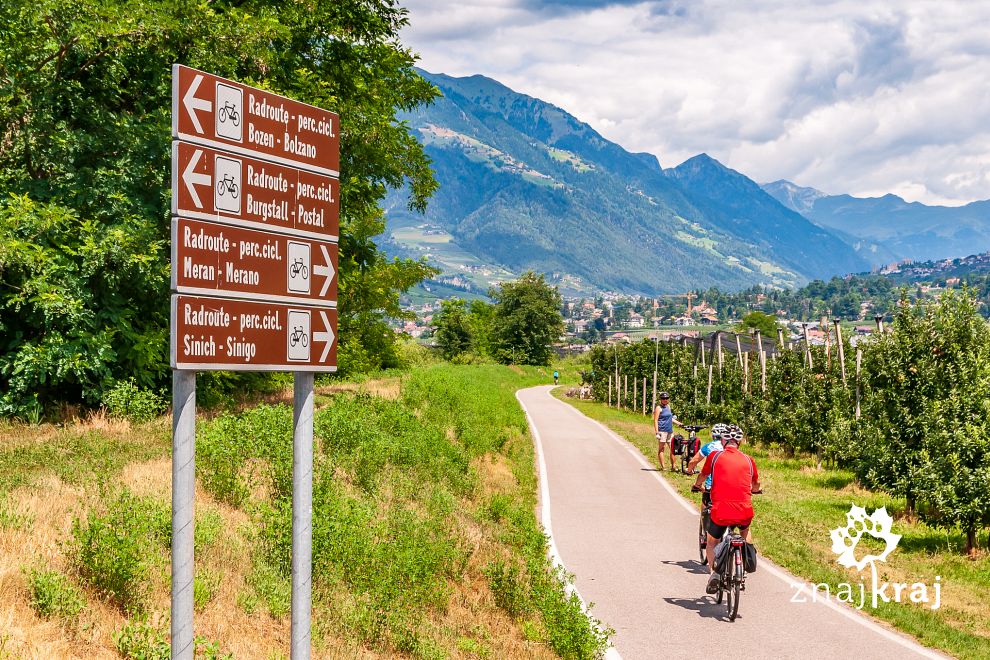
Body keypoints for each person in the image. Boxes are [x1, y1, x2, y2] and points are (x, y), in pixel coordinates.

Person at [693, 425, 760, 594]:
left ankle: (715, 573)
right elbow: (756, 484)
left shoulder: (715, 456)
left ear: (723, 441)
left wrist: (697, 485)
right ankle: (744, 564)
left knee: (711, 542)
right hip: (744, 511)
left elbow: (703, 475)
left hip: (721, 511)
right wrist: (756, 490)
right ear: (739, 442)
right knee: (745, 530)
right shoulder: (749, 460)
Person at [652, 392, 685, 471]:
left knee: (673, 448)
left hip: (669, 431)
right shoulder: (658, 408)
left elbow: (670, 418)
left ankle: (673, 466)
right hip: (662, 431)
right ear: (660, 400)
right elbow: (656, 420)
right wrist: (657, 432)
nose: (665, 400)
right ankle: (663, 467)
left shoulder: (668, 407)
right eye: (663, 399)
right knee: (661, 449)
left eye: (666, 398)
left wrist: (679, 423)